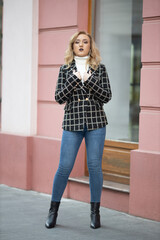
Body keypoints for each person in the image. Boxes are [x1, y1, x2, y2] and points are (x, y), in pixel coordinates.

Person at [45, 31, 112, 229]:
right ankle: (53, 211)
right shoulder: (65, 69)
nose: (81, 45)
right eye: (77, 42)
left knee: (94, 167)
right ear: (72, 46)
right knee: (64, 167)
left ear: (91, 46)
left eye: (85, 42)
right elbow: (59, 97)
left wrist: (89, 80)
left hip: (96, 124)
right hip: (72, 124)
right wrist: (75, 79)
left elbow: (107, 96)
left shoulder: (100, 68)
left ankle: (95, 213)